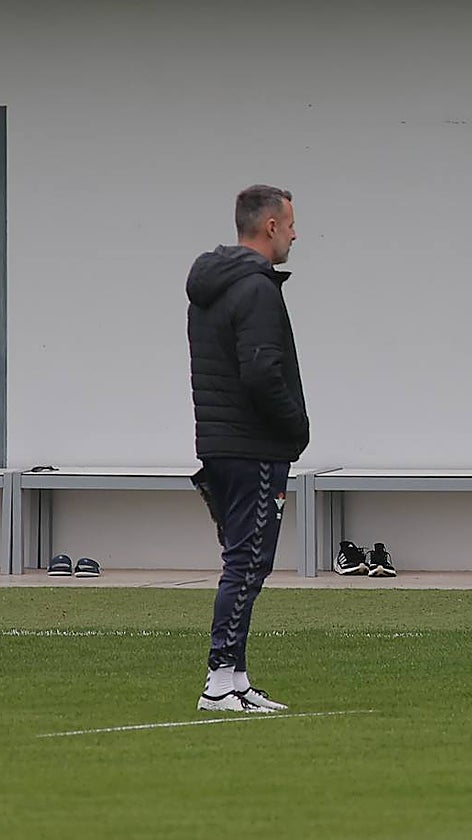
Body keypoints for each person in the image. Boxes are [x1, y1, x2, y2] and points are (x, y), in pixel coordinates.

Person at [187, 184, 309, 713]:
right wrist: (295, 428)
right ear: (269, 227)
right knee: (246, 562)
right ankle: (219, 680)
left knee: (247, 561)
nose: (296, 233)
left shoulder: (215, 287)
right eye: (291, 223)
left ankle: (236, 677)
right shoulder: (256, 289)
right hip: (251, 444)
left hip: (222, 441)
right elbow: (261, 371)